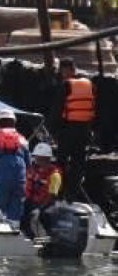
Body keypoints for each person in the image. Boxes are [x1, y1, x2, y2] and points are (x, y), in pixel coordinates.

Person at [56, 58, 95, 201]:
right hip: (84, 129)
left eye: (63, 70)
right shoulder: (89, 84)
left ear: (66, 70)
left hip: (68, 129)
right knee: (78, 162)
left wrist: (51, 129)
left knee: (60, 162)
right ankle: (72, 193)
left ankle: (57, 193)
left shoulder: (65, 85)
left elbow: (57, 109)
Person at [22, 142, 62, 238]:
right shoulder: (34, 171)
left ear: (47, 158)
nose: (37, 160)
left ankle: (47, 238)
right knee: (20, 213)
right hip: (32, 201)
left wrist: (39, 209)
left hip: (46, 204)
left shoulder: (55, 175)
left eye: (40, 158)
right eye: (36, 157)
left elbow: (52, 196)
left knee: (40, 216)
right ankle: (27, 237)